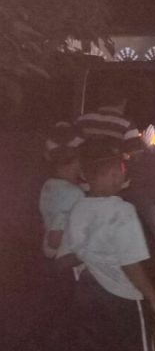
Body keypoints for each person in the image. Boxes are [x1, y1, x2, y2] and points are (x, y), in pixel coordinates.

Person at [56, 140, 155, 351]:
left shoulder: (79, 207)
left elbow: (65, 257)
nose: (121, 178)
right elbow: (130, 263)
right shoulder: (121, 211)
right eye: (119, 172)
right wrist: (153, 296)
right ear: (114, 174)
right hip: (123, 295)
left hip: (88, 295)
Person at [35, 121, 85, 351]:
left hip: (52, 263)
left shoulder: (48, 186)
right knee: (70, 318)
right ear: (73, 162)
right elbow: (56, 235)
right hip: (68, 265)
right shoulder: (73, 194)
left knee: (56, 314)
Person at [74, 85, 145, 157]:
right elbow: (133, 155)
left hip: (83, 163)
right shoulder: (128, 125)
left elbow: (73, 146)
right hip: (113, 164)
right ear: (124, 102)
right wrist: (144, 145)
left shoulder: (82, 120)